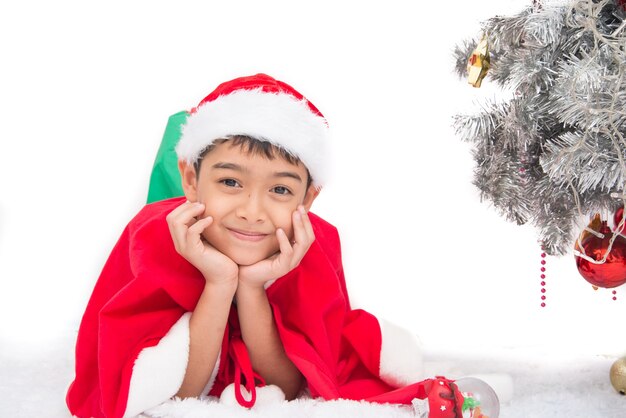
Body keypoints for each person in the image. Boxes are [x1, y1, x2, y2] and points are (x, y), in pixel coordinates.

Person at [66, 74, 466, 418]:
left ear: (307, 199)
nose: (252, 212)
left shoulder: (312, 242)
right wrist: (219, 283)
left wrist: (253, 287)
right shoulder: (151, 237)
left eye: (279, 189)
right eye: (230, 182)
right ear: (190, 180)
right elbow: (175, 394)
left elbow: (290, 387)